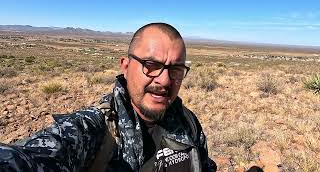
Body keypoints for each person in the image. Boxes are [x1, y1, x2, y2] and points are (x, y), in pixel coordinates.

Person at [0, 23, 217, 172]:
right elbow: (32, 158)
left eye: (176, 69)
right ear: (125, 66)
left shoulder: (188, 123)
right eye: (151, 66)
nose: (165, 80)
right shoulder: (94, 129)